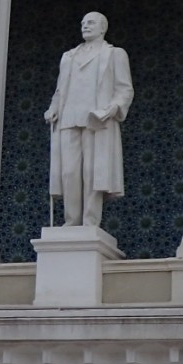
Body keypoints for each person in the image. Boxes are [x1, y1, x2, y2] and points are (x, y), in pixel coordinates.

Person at [44, 12, 134, 229]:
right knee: (69, 172)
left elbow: (124, 89)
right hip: (68, 118)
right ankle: (71, 220)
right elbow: (60, 89)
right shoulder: (69, 57)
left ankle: (90, 221)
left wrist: (111, 109)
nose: (85, 26)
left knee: (93, 172)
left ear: (103, 28)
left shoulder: (115, 54)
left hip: (97, 120)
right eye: (82, 23)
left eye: (90, 22)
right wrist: (53, 108)